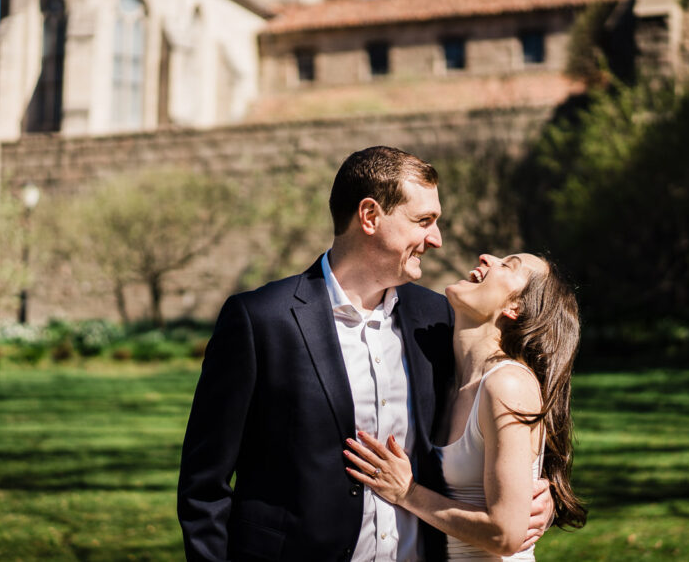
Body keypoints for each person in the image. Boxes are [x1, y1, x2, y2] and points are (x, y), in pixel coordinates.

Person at [177, 146, 554, 561]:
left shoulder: (439, 320)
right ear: (370, 216)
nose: (437, 239)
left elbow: (513, 415)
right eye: (423, 221)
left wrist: (545, 493)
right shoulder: (261, 320)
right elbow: (204, 486)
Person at [344, 252, 587, 560]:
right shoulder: (448, 379)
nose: (486, 257)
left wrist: (408, 492)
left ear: (516, 307)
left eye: (507, 265)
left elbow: (505, 535)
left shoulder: (506, 384)